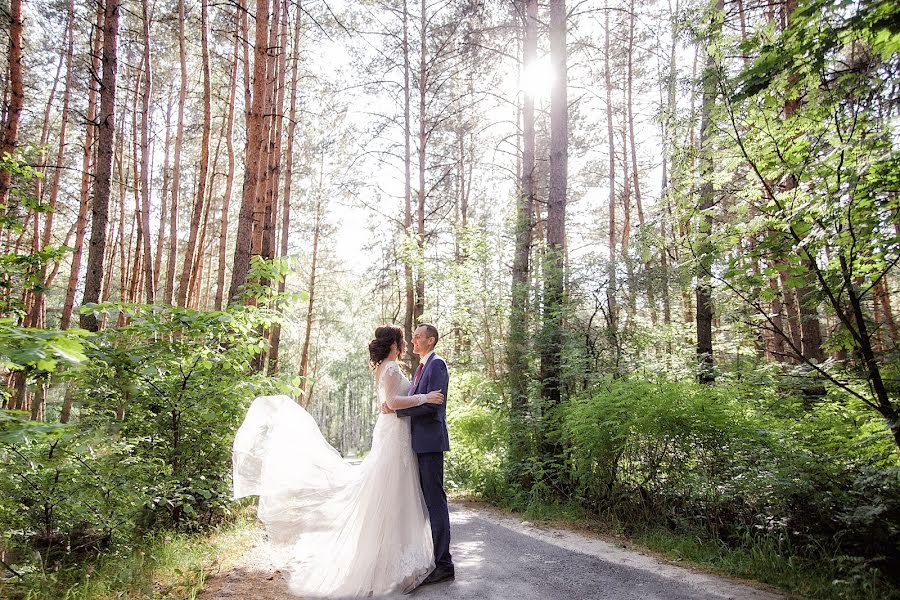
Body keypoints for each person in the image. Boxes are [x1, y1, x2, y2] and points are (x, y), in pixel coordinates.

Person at [232, 324, 444, 597]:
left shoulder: (385, 367)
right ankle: (392, 564)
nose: (408, 343)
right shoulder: (390, 368)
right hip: (394, 435)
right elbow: (392, 402)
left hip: (395, 433)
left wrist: (398, 402)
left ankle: (394, 560)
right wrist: (424, 397)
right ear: (395, 344)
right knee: (393, 494)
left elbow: (388, 402)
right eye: (405, 339)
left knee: (395, 496)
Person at [393, 324, 455, 585]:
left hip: (430, 442)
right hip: (419, 443)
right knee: (424, 502)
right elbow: (422, 399)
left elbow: (432, 406)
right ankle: (433, 558)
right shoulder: (420, 368)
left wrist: (397, 411)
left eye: (418, 336)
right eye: (413, 337)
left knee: (435, 501)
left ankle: (444, 564)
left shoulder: (437, 365)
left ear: (430, 340)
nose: (413, 340)